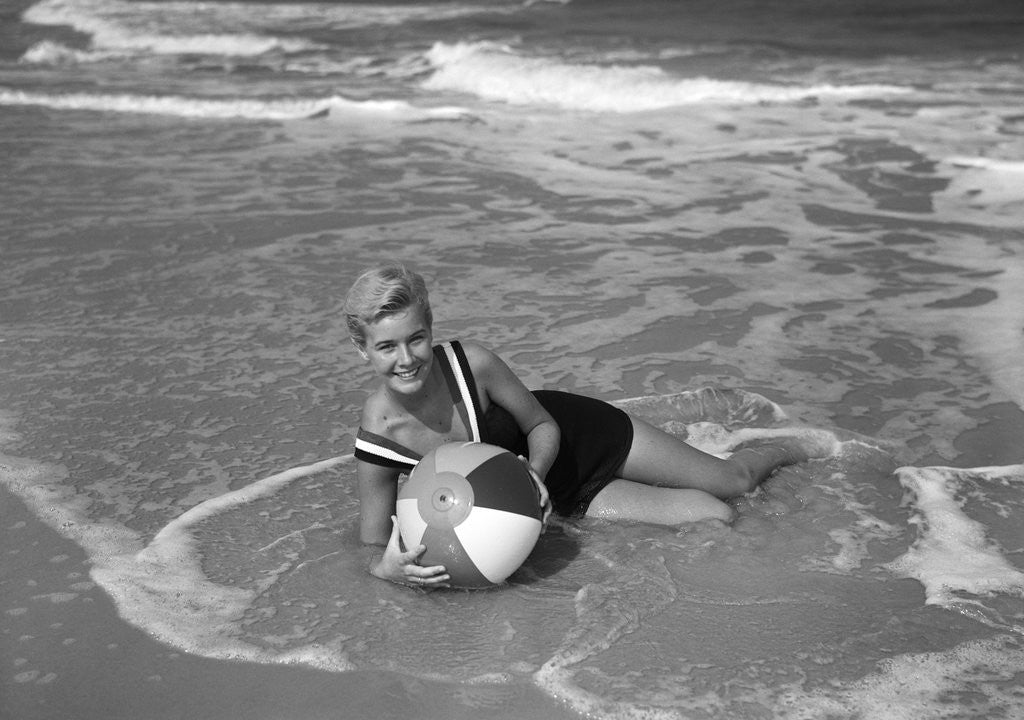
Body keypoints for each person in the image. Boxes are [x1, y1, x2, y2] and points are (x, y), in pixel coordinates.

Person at [345, 263, 823, 587]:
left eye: (416, 339)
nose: (407, 359)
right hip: (565, 499)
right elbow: (371, 543)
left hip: (577, 438)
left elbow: (542, 424)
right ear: (363, 350)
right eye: (387, 347)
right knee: (715, 516)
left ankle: (794, 445)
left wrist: (530, 475)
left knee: (733, 483)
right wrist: (387, 569)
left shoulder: (472, 364)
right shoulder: (378, 435)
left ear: (431, 330)